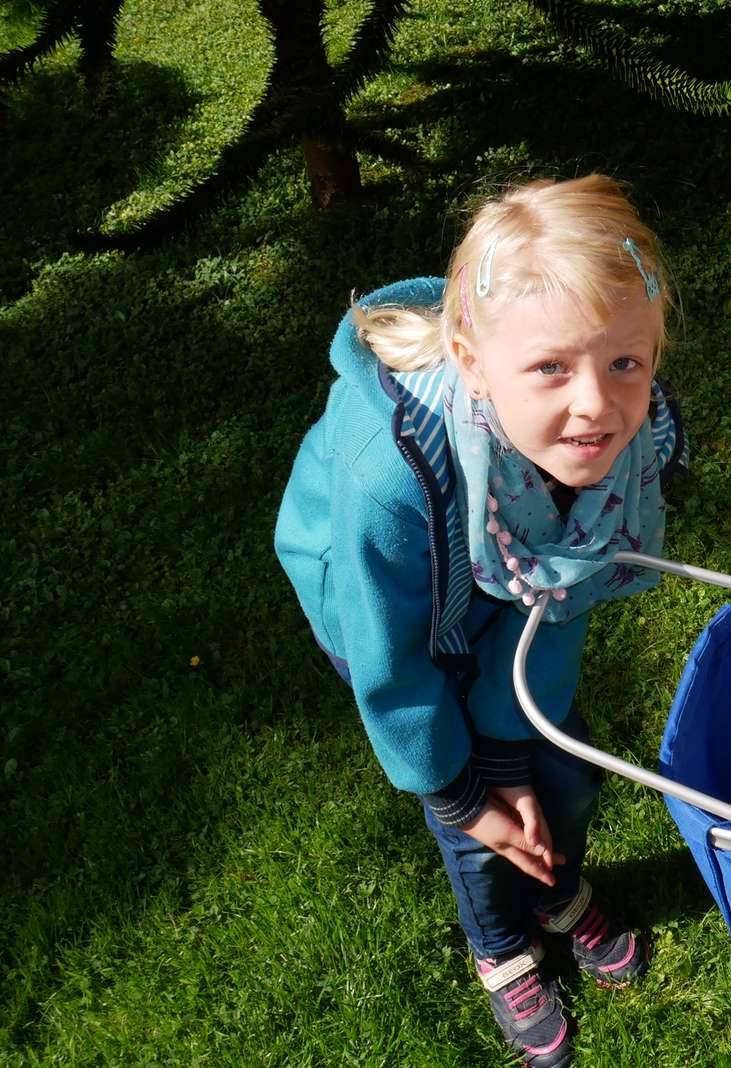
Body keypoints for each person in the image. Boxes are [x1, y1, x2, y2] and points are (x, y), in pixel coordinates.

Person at [275, 175, 686, 1068]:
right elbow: (394, 668)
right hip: (386, 607)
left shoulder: (620, 442)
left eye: (627, 362)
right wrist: (470, 790)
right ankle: (499, 944)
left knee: (560, 776)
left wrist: (515, 745)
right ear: (470, 360)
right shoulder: (392, 478)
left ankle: (557, 887)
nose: (594, 404)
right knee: (475, 818)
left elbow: (564, 586)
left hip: (506, 575)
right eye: (550, 367)